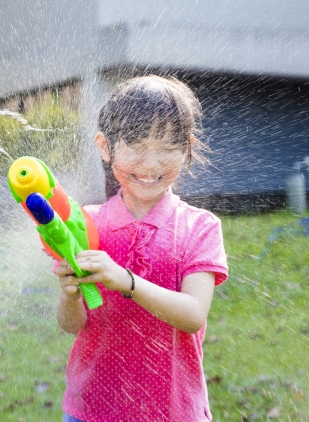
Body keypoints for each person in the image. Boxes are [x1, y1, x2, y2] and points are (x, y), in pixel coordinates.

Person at [56, 76, 228, 421]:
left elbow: (193, 315)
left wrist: (127, 281)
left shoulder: (199, 227)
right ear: (105, 146)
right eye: (135, 144)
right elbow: (71, 325)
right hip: (91, 410)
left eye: (167, 147)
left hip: (173, 411)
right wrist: (71, 294)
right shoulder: (87, 225)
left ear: (187, 147)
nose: (151, 164)